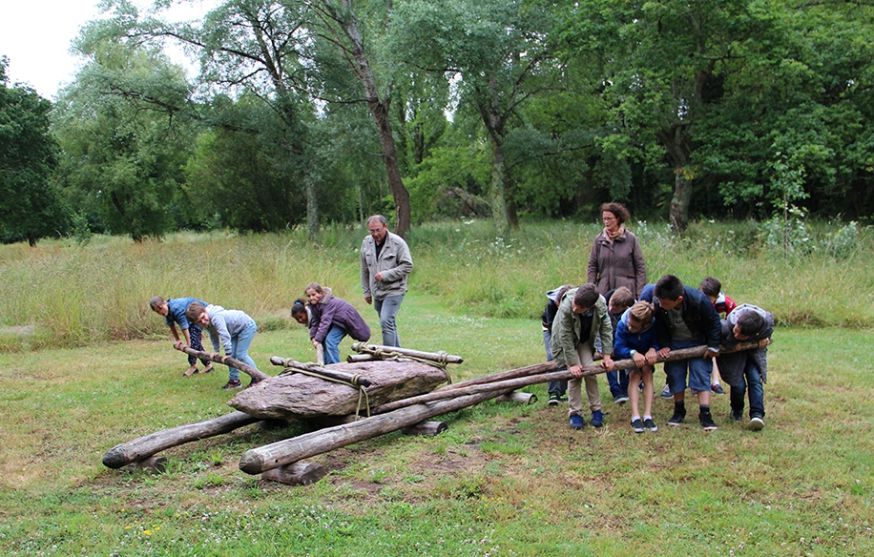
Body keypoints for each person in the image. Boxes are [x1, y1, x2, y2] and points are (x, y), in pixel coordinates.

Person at [641, 275, 721, 431]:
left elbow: (714, 323)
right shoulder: (658, 303)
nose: (661, 305)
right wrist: (664, 345)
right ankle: (679, 410)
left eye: (665, 303)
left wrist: (712, 346)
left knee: (700, 372)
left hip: (698, 341)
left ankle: (705, 413)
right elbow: (659, 326)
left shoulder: (699, 300)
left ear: (678, 299)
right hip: (674, 343)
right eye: (660, 302)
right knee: (675, 374)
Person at [550, 283, 614, 429]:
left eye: (579, 308)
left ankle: (596, 410)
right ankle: (575, 413)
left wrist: (607, 355)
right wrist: (572, 363)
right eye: (575, 304)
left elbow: (606, 329)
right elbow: (564, 336)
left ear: (589, 307)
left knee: (590, 371)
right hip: (565, 343)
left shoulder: (600, 304)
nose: (574, 308)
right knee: (575, 375)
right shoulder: (567, 306)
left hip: (584, 339)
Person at [717, 304, 774, 431]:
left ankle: (757, 415)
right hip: (733, 355)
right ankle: (736, 411)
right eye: (736, 330)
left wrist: (765, 339)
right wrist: (731, 345)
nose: (735, 334)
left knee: (754, 380)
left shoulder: (765, 323)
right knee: (738, 384)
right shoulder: (726, 327)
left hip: (754, 353)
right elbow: (717, 339)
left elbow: (769, 332)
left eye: (740, 335)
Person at [360, 215, 413, 347]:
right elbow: (364, 268)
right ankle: (398, 354)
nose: (375, 234)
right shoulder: (366, 242)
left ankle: (387, 357)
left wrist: (386, 275)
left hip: (395, 290)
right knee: (389, 324)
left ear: (385, 227)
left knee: (386, 321)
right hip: (377, 291)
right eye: (372, 231)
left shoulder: (398, 243)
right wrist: (366, 291)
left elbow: (407, 266)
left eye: (378, 230)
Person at [186, 302, 258, 390]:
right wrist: (216, 351)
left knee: (241, 355)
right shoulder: (206, 322)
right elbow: (213, 335)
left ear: (205, 311)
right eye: (199, 322)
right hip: (235, 331)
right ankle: (234, 381)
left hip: (246, 326)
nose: (203, 322)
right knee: (233, 356)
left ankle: (257, 378)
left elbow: (224, 334)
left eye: (203, 317)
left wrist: (228, 352)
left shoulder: (216, 317)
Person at [613, 301, 660, 433]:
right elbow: (618, 347)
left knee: (647, 374)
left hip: (646, 355)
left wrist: (653, 349)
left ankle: (647, 415)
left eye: (634, 327)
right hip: (631, 355)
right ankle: (635, 416)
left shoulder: (653, 325)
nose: (629, 327)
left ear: (645, 325)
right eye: (629, 323)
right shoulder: (623, 324)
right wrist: (632, 353)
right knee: (634, 376)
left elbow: (657, 341)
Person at [301, 283, 371, 365]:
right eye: (309, 296)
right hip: (333, 321)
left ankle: (335, 365)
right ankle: (327, 365)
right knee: (323, 341)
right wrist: (313, 337)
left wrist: (318, 339)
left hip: (342, 321)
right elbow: (315, 321)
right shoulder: (313, 305)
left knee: (330, 341)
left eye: (313, 294)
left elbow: (325, 322)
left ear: (320, 293)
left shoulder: (328, 303)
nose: (311, 298)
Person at [587, 202, 647, 297]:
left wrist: (640, 292)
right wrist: (590, 289)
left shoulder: (630, 239)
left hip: (626, 291)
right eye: (604, 219)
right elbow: (592, 266)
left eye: (609, 219)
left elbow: (640, 268)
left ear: (618, 219)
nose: (606, 222)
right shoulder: (599, 240)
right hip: (604, 290)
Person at [149, 295, 213, 377]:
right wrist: (178, 340)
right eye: (158, 312)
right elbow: (172, 326)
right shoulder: (167, 313)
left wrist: (188, 343)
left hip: (200, 314)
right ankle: (208, 365)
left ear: (165, 302)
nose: (161, 312)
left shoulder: (176, 309)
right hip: (192, 318)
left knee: (193, 342)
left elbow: (184, 327)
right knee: (195, 342)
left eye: (161, 308)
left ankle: (193, 366)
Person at [602, 286, 635, 404]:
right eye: (610, 305)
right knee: (610, 364)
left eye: (615, 308)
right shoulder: (603, 303)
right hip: (607, 340)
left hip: (622, 339)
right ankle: (615, 390)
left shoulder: (630, 310)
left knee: (623, 363)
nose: (611, 309)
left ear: (624, 307)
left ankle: (624, 388)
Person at [542, 285, 573, 406]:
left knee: (567, 355)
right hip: (549, 328)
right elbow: (551, 328)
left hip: (567, 329)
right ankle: (553, 392)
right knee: (552, 355)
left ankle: (562, 390)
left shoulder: (572, 301)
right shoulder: (551, 305)